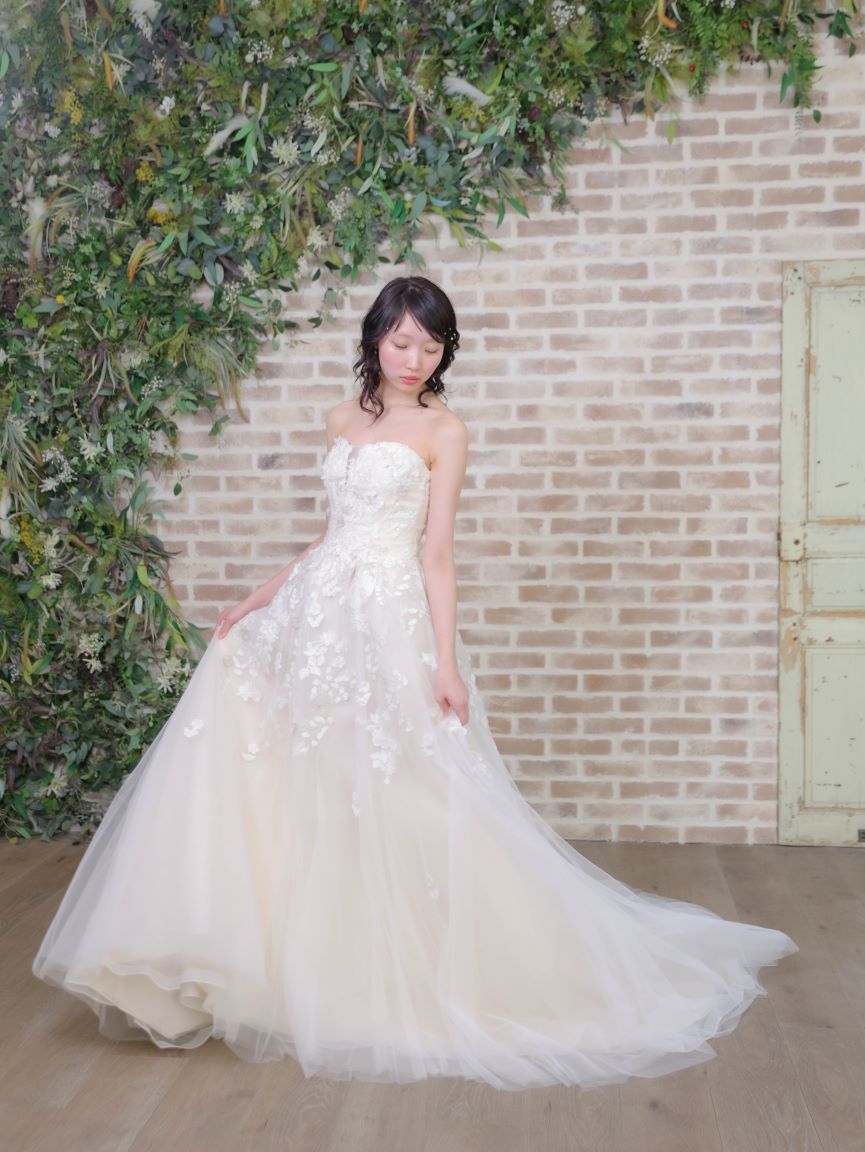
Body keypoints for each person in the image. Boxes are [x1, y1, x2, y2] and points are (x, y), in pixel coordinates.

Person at [32, 274, 798, 1091]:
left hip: (386, 616)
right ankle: (283, 957)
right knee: (294, 766)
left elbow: (435, 554)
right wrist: (261, 595)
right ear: (374, 339)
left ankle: (434, 958)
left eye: (431, 347)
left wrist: (444, 662)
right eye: (401, 342)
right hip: (319, 610)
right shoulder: (340, 419)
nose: (414, 359)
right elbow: (331, 536)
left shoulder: (444, 429)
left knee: (409, 783)